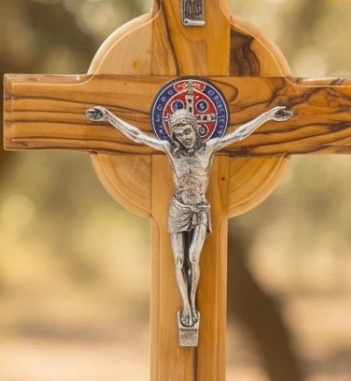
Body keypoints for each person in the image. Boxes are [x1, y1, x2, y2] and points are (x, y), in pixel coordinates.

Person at [85, 102, 293, 334]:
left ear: (196, 128)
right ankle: (187, 306)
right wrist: (108, 116)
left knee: (193, 257)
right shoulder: (171, 150)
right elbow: (136, 136)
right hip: (179, 209)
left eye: (187, 131)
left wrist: (269, 115)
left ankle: (191, 304)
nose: (184, 137)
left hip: (200, 209)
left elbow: (240, 134)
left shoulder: (209, 148)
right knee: (178, 261)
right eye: (179, 134)